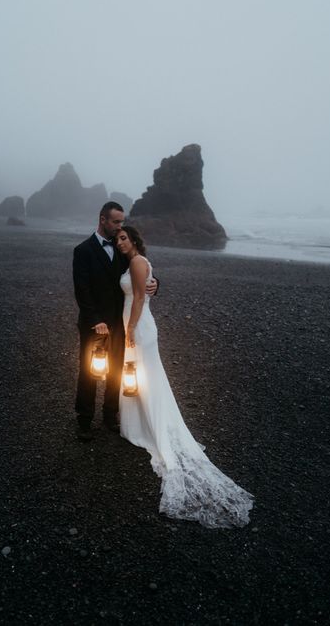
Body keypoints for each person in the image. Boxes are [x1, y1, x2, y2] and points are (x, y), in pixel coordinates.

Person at [116, 225, 254, 527]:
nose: (120, 242)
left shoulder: (138, 262)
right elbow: (142, 290)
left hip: (137, 326)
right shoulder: (135, 263)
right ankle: (138, 425)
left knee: (145, 379)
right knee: (140, 378)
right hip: (136, 323)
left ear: (134, 239)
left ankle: (150, 429)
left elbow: (139, 298)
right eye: (117, 239)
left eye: (124, 238)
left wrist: (129, 329)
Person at [72, 202, 157, 441]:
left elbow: (138, 271)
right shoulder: (83, 251)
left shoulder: (121, 249)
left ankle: (111, 416)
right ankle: (85, 420)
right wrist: (95, 320)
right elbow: (82, 290)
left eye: (121, 222)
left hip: (121, 321)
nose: (120, 226)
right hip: (94, 324)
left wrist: (155, 283)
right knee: (89, 372)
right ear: (102, 220)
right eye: (116, 222)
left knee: (117, 370)